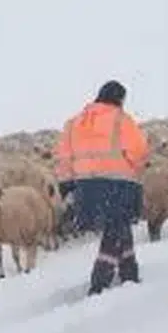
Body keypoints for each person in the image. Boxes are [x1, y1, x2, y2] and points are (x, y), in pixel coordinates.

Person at [54, 80, 150, 295]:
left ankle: (129, 273)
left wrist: (67, 186)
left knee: (118, 226)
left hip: (85, 186)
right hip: (119, 184)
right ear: (119, 99)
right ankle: (99, 281)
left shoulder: (74, 123)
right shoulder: (121, 120)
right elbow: (138, 150)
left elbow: (64, 158)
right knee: (115, 229)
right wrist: (135, 169)